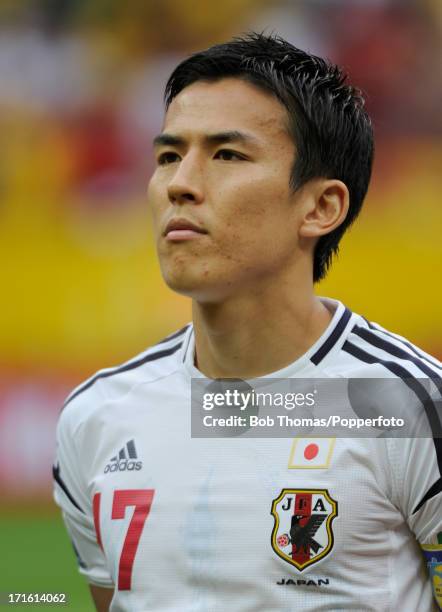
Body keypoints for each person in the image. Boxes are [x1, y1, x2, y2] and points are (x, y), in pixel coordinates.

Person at [53, 33, 442, 611]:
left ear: (322, 207)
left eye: (227, 155)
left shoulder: (408, 406)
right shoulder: (96, 417)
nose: (180, 184)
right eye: (167, 156)